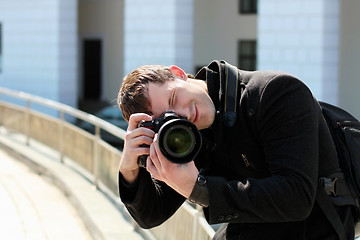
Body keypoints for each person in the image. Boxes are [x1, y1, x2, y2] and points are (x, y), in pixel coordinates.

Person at [117, 60, 355, 240]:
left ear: (178, 74)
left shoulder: (275, 92)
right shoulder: (185, 131)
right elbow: (151, 215)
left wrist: (198, 189)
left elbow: (296, 197)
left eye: (173, 98)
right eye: (168, 118)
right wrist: (129, 168)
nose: (185, 115)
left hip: (315, 229)